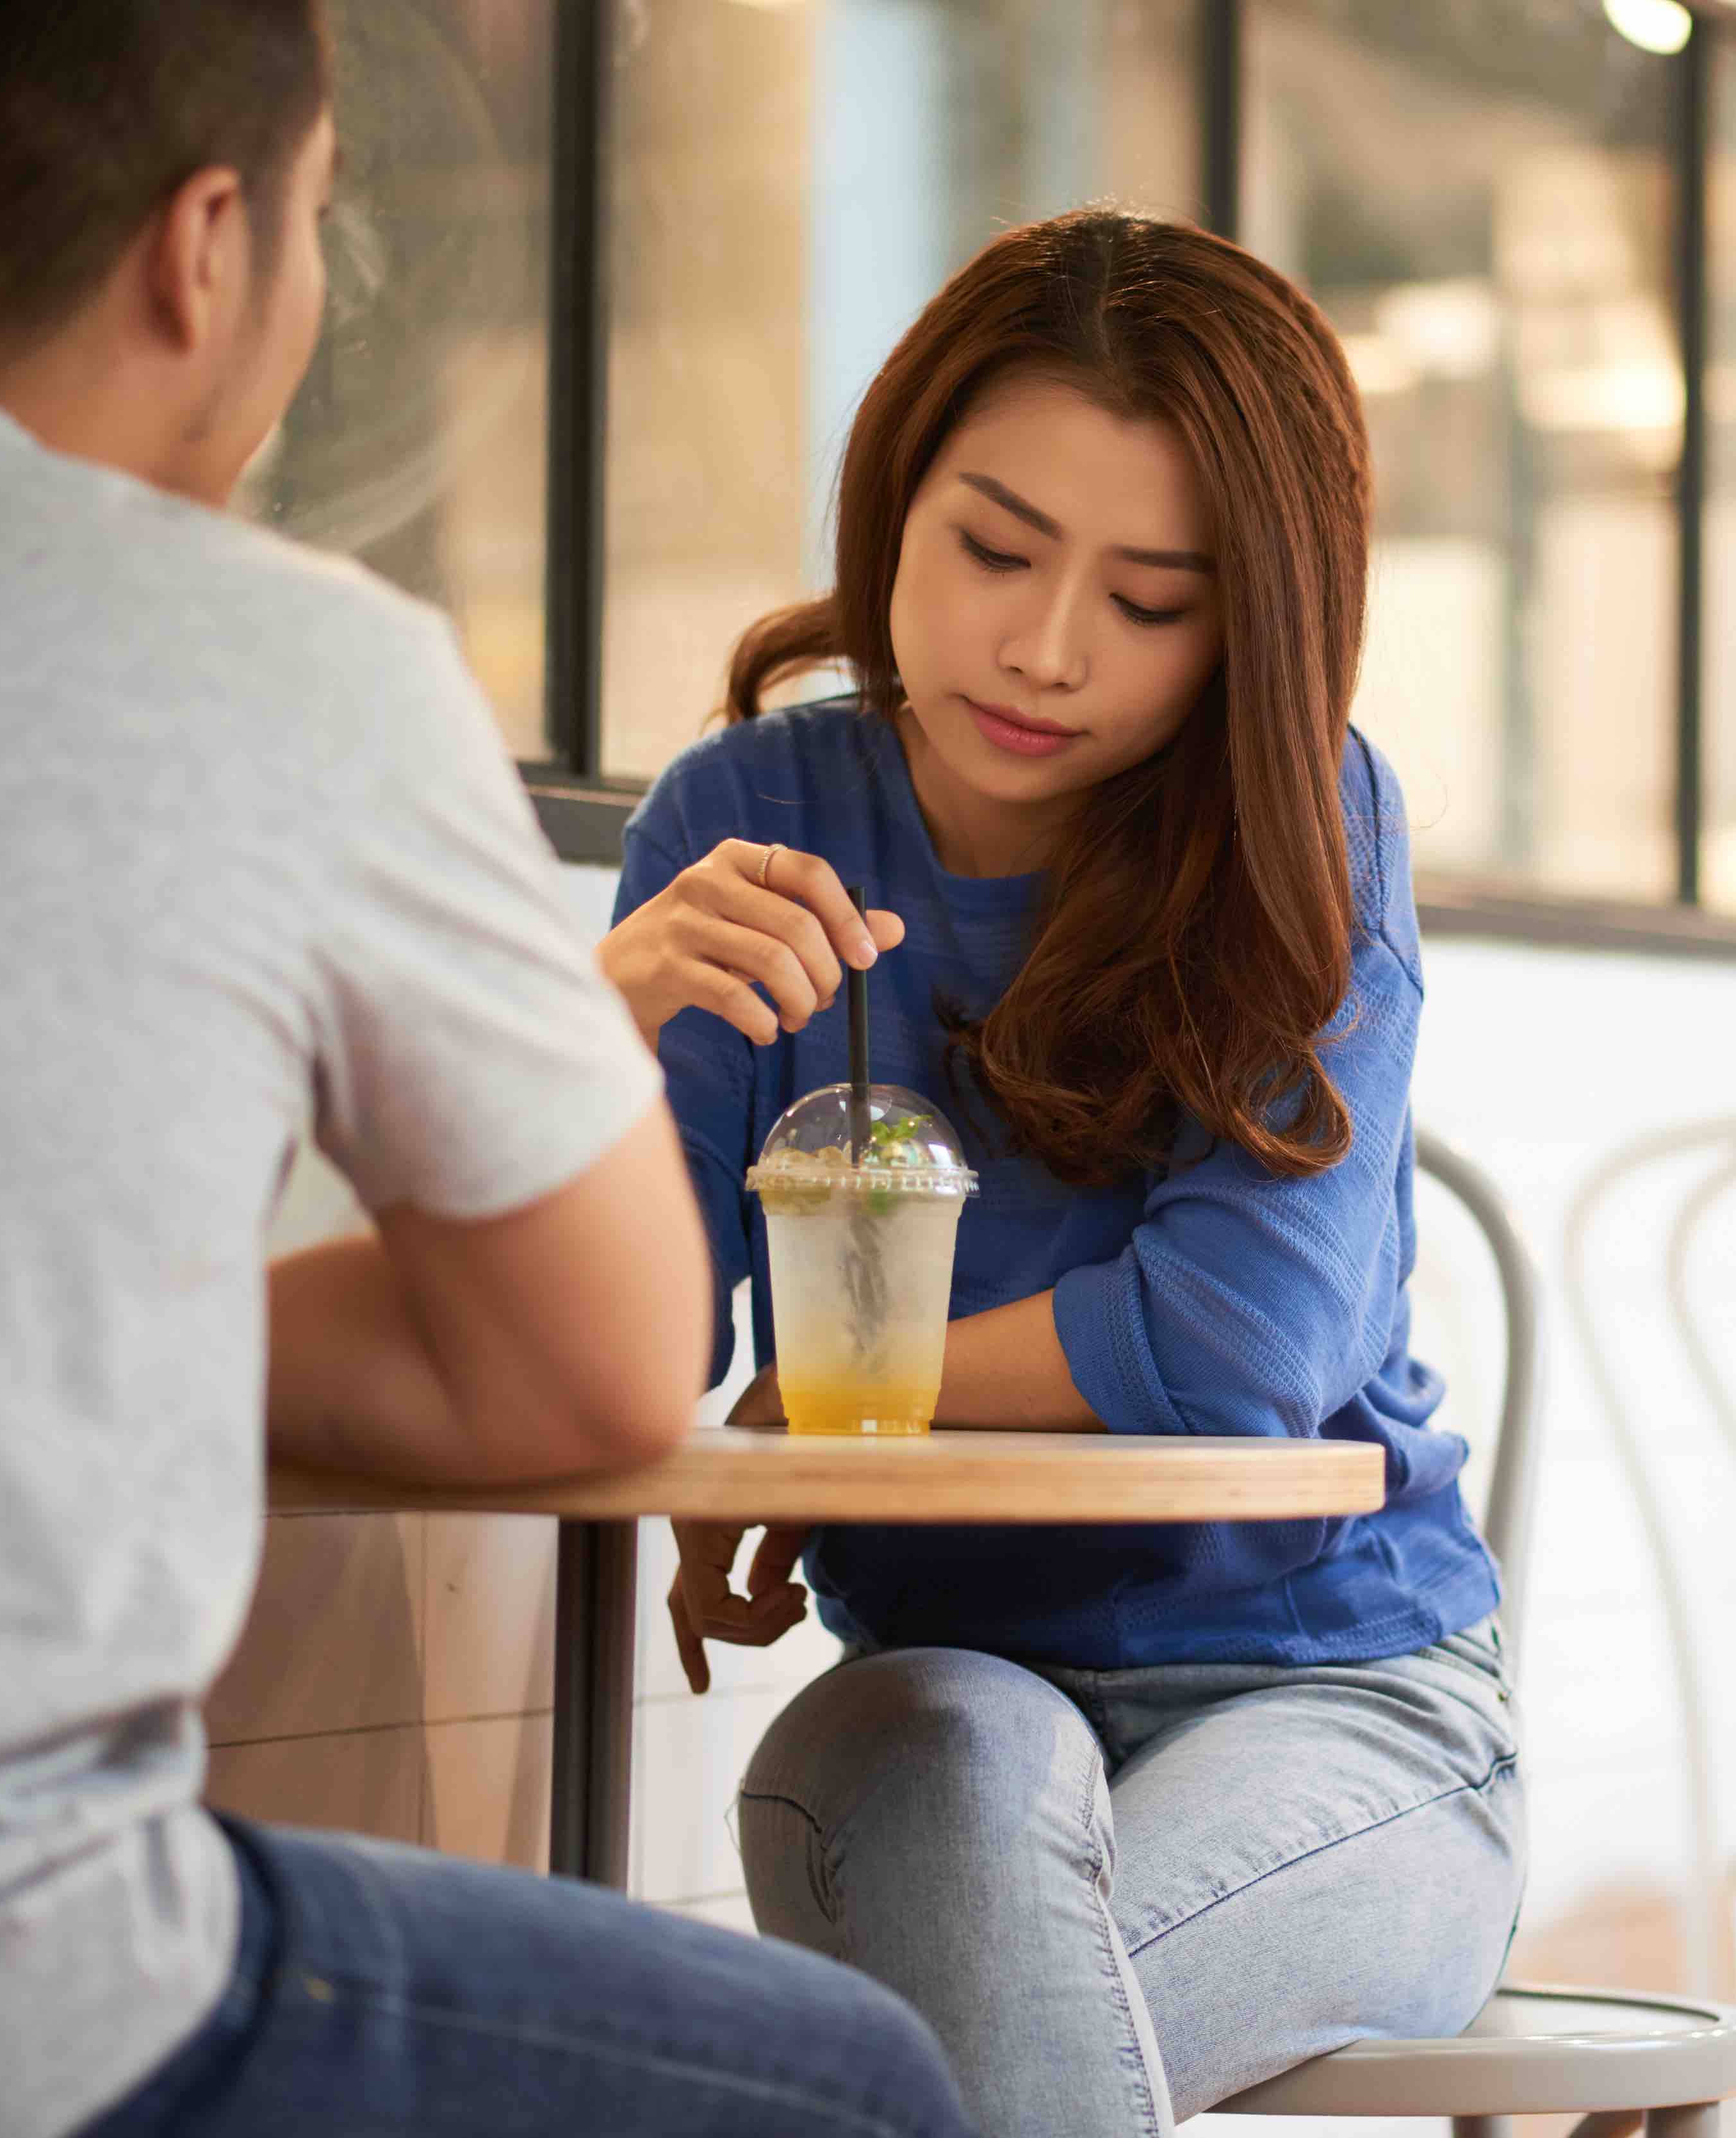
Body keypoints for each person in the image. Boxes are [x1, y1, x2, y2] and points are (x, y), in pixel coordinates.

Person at [0, 6, 972, 2135]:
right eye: (319, 233)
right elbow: (601, 1373)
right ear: (206, 250)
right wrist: (93, 1318)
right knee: (865, 2087)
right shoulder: (286, 663)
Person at [614, 210, 1525, 2137]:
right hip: (940, 1685)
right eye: (996, 549)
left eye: (1153, 597)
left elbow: (1235, 1343)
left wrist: (825, 1399)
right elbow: (630, 1335)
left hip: (1342, 1697)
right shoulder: (747, 823)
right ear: (894, 503)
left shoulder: (1303, 824)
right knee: (960, 1857)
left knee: (938, 2066)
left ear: (1254, 619)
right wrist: (600, 1034)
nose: (1044, 648)